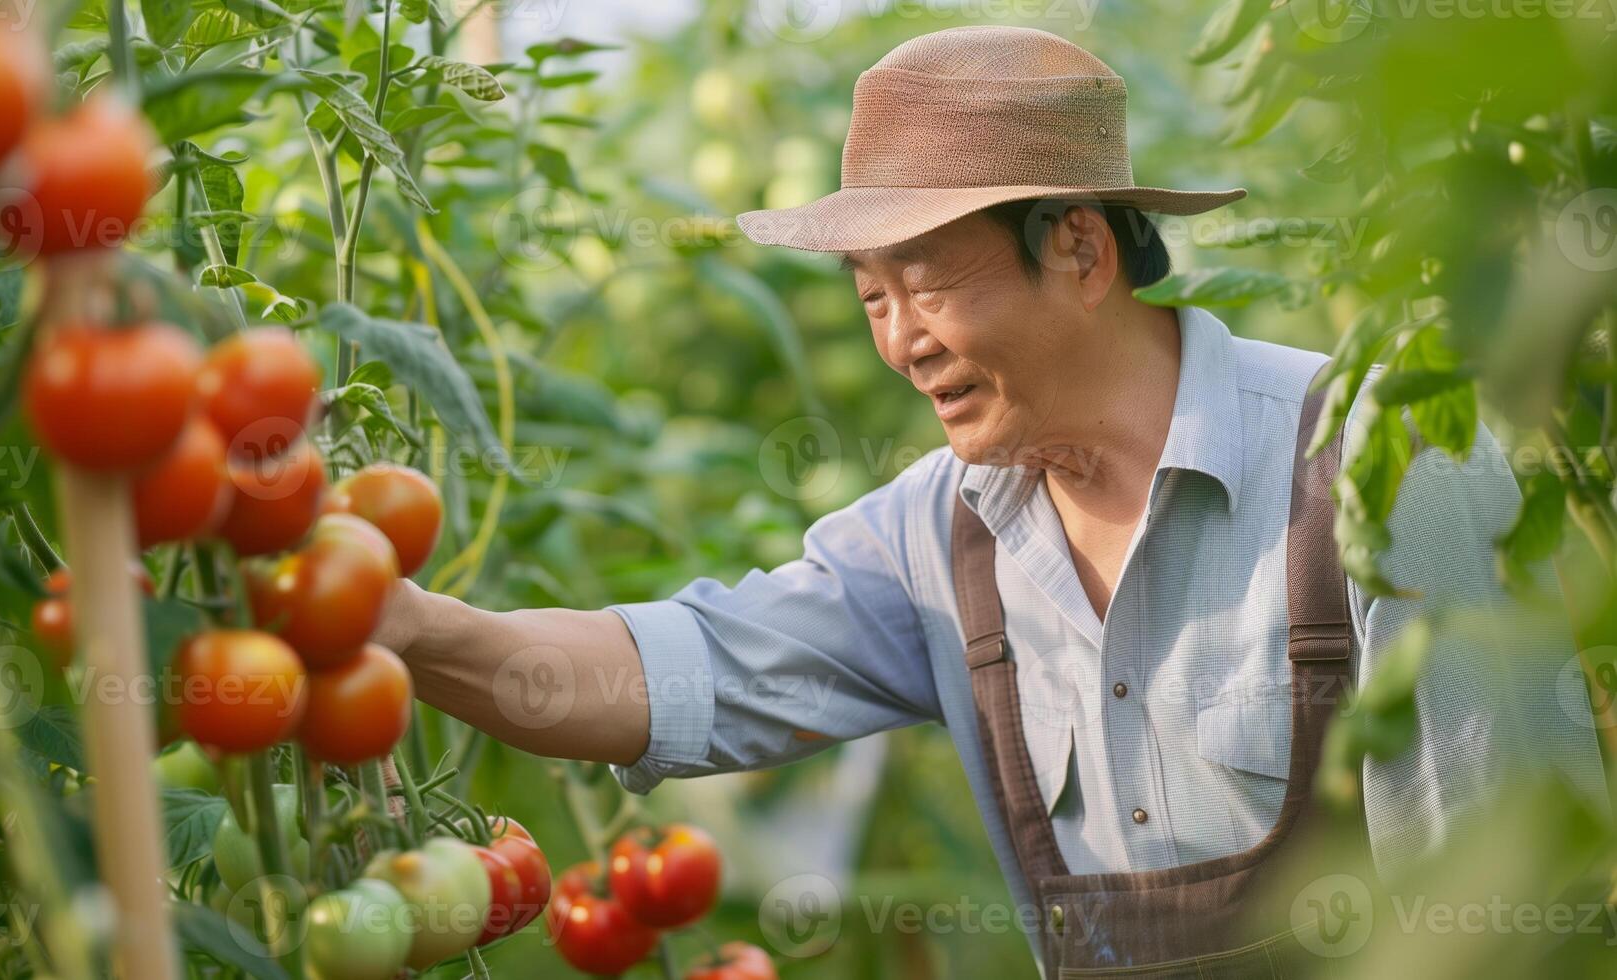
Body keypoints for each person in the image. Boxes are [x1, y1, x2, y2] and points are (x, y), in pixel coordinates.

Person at [374, 26, 1607, 973]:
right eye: (870, 298)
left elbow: (1502, 909)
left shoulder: (1379, 457)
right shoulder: (943, 530)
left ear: (1079, 248)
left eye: (924, 283)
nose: (901, 342)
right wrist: (416, 631)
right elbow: (692, 669)